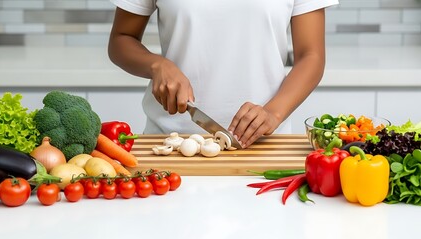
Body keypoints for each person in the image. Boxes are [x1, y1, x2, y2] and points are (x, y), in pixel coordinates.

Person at [108, 0, 338, 148]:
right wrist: (157, 65)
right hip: (170, 144)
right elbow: (121, 39)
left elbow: (311, 56)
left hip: (265, 146)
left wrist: (273, 113)